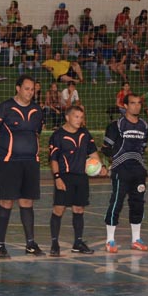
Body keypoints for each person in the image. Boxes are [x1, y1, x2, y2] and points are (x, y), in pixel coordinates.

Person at [0, 76, 44, 257]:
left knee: (27, 202)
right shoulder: (5, 107)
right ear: (18, 88)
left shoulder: (37, 110)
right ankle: (0, 246)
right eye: (27, 89)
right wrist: (2, 154)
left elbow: (37, 134)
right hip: (10, 163)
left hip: (30, 163)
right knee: (6, 201)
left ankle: (30, 244)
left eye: (32, 89)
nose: (30, 92)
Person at [42, 105, 96, 256]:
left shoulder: (85, 133)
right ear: (67, 117)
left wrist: (100, 167)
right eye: (76, 117)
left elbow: (93, 153)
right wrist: (57, 177)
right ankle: (54, 244)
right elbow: (53, 159)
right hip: (64, 177)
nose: (79, 120)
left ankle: (78, 243)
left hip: (81, 177)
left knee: (79, 209)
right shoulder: (58, 135)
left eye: (81, 117)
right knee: (59, 209)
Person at [102, 92, 148, 253]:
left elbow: (143, 148)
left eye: (139, 103)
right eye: (133, 103)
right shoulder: (116, 126)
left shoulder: (144, 126)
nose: (136, 106)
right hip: (121, 171)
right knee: (116, 202)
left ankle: (136, 239)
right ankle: (110, 240)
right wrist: (115, 160)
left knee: (138, 204)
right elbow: (105, 148)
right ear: (125, 106)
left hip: (138, 171)